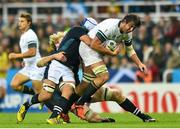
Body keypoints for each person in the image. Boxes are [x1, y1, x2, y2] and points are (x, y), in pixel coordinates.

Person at [8, 12, 44, 95]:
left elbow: (32, 52)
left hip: (36, 67)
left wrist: (16, 55)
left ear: (29, 23)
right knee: (14, 84)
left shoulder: (30, 35)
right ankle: (36, 96)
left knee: (43, 96)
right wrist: (25, 60)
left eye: (22, 21)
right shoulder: (24, 35)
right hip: (28, 66)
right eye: (19, 21)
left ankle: (41, 98)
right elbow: (27, 51)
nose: (19, 23)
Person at [0, 44, 9, 111]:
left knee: (3, 94)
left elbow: (8, 63)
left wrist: (7, 68)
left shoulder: (5, 55)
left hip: (4, 77)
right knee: (0, 93)